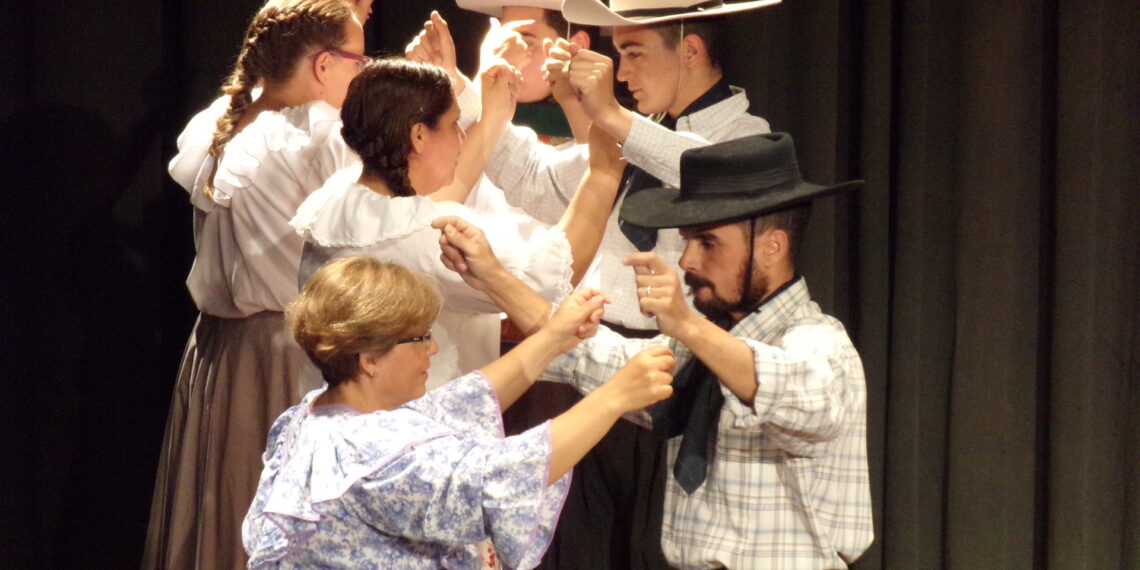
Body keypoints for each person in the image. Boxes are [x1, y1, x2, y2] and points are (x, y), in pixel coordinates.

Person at [434, 133, 874, 568]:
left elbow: (805, 399)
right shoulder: (702, 348)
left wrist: (685, 324)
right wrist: (491, 277)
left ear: (772, 247)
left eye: (708, 243)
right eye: (687, 242)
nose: (686, 261)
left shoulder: (818, 340)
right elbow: (588, 355)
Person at [242, 256, 675, 568]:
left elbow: (460, 403)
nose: (432, 348)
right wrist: (614, 396)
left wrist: (553, 340)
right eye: (419, 338)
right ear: (369, 359)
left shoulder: (313, 416)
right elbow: (503, 477)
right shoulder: (373, 457)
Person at [145, 1, 367, 567]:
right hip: (287, 353)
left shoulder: (219, 118)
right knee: (270, 514)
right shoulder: (321, 132)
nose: (362, 76)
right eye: (359, 62)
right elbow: (375, 230)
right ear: (323, 64)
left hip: (219, 349)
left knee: (222, 503)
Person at [291, 57, 626, 389]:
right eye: (454, 125)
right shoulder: (426, 233)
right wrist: (604, 173)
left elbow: (445, 191)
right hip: (421, 416)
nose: (462, 139)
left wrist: (493, 118)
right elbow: (548, 277)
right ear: (419, 136)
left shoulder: (342, 194)